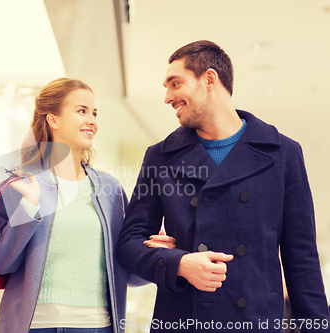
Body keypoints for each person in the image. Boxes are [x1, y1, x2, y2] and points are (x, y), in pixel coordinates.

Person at [117, 40, 330, 332]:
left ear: (209, 79)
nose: (167, 96)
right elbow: (128, 244)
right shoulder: (160, 156)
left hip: (254, 323)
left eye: (175, 83)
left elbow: (301, 260)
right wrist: (178, 263)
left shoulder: (282, 154)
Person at [0, 78, 174, 333]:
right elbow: (0, 262)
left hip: (97, 327)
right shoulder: (21, 184)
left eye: (94, 113)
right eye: (81, 111)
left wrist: (153, 253)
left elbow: (126, 272)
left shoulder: (110, 189)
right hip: (36, 326)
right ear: (53, 119)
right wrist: (28, 207)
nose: (92, 120)